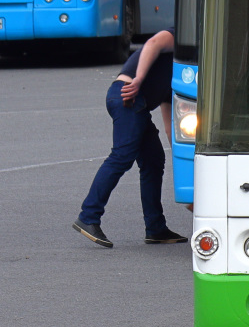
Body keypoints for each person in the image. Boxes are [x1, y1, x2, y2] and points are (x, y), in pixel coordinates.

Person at [72, 28, 188, 247]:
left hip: (137, 105)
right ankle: (88, 216)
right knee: (122, 156)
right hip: (126, 94)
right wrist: (139, 79)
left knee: (154, 161)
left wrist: (184, 162)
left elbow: (170, 126)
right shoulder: (177, 35)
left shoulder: (177, 76)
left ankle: (155, 228)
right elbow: (153, 43)